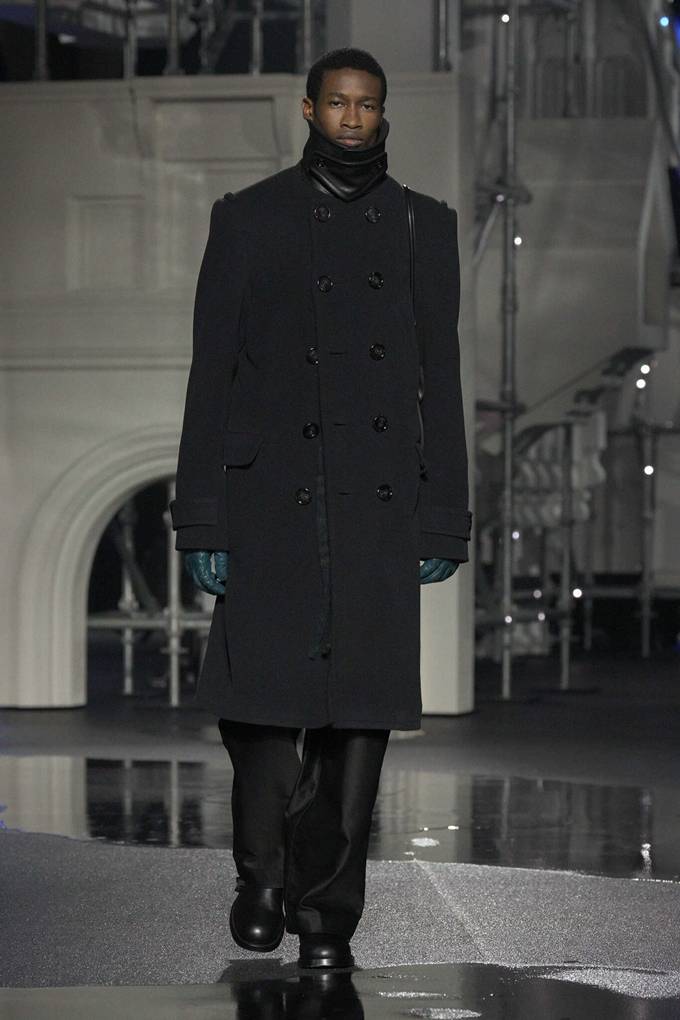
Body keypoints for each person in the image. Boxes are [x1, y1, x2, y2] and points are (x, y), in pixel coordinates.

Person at [169, 46, 471, 969]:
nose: (351, 118)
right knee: (262, 712)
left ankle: (327, 918)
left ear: (383, 114)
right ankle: (262, 874)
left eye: (366, 104)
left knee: (357, 727)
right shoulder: (250, 218)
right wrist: (202, 515)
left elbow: (442, 379)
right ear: (308, 109)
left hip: (375, 505)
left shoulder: (423, 226)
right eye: (337, 102)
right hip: (271, 500)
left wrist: (444, 512)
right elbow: (212, 375)